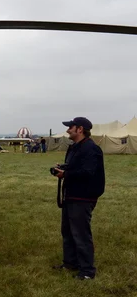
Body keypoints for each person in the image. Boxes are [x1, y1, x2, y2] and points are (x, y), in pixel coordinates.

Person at [52, 117, 105, 280]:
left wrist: (66, 174)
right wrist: (62, 168)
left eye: (70, 127)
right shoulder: (75, 147)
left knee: (81, 234)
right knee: (67, 231)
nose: (68, 130)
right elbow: (76, 167)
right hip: (72, 195)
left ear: (80, 129)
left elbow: (88, 173)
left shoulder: (91, 149)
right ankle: (70, 263)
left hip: (83, 197)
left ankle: (87, 271)